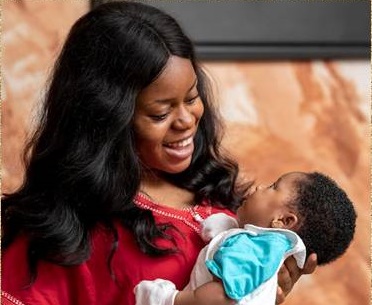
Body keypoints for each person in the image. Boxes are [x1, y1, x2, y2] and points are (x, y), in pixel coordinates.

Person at [1, 2, 316, 305]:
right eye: (160, 113)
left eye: (191, 98)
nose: (186, 120)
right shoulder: (63, 229)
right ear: (107, 118)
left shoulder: (219, 195)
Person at [134, 171, 356, 305]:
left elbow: (224, 297)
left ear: (284, 221)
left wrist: (168, 300)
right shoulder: (261, 248)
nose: (260, 186)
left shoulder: (256, 250)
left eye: (272, 187)